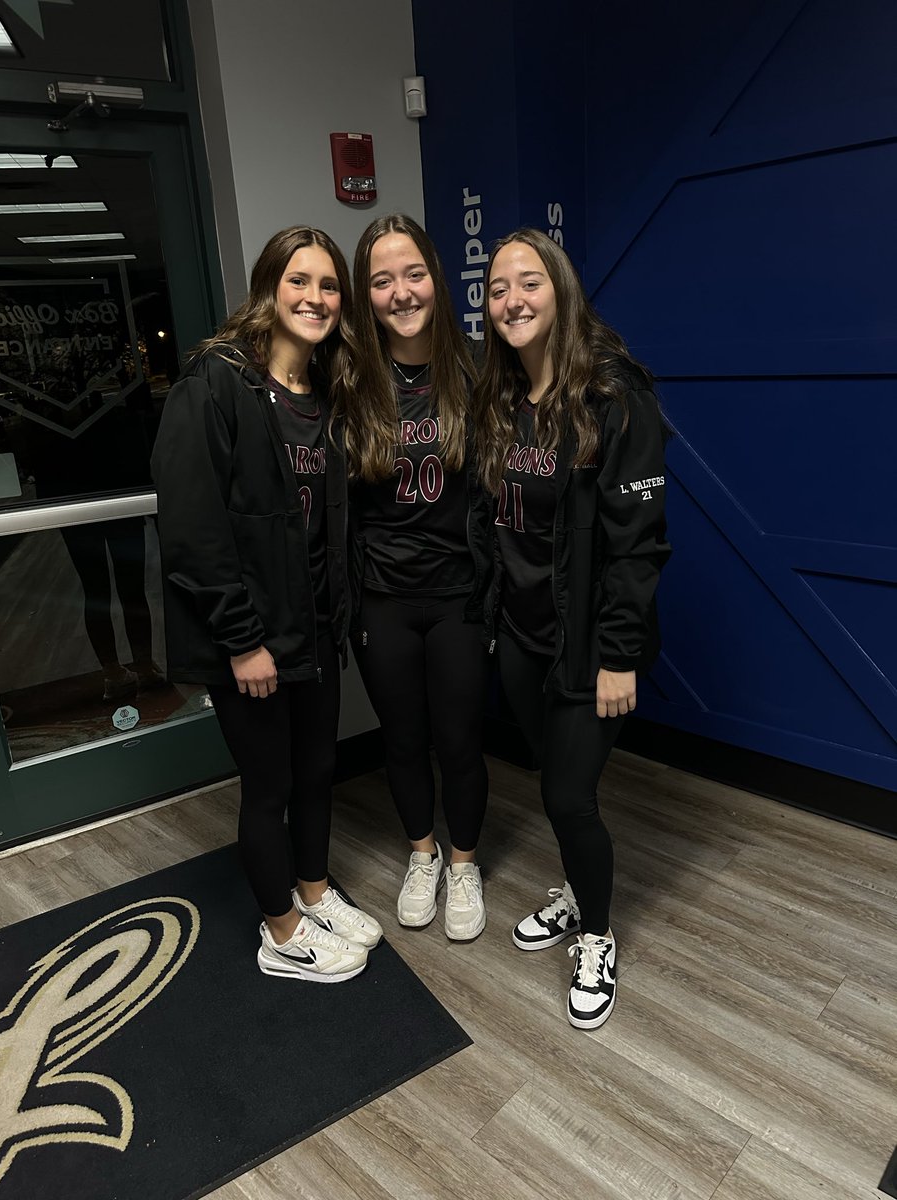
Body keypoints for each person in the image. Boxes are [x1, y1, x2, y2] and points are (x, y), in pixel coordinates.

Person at [151, 226, 382, 983]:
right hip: (250, 637)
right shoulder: (216, 381)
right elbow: (192, 527)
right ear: (268, 289)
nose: (315, 298)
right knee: (271, 786)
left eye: (328, 287)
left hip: (315, 627)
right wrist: (242, 640)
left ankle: (313, 893)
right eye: (299, 282)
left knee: (319, 771)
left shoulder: (328, 394)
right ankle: (282, 932)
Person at [475, 228, 671, 1029]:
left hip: (592, 649)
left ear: (560, 292)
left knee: (569, 795)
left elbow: (638, 543)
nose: (512, 300)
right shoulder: (500, 400)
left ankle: (596, 933)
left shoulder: (614, 398)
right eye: (496, 289)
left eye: (528, 283)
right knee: (552, 789)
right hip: (521, 638)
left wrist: (620, 655)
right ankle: (576, 889)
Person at [334, 214, 492, 940]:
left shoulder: (479, 371)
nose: (401, 292)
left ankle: (463, 862)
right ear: (366, 296)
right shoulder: (348, 382)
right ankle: (421, 853)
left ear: (436, 277)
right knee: (402, 739)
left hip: (459, 593)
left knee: (458, 739)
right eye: (382, 280)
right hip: (384, 598)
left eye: (414, 274)